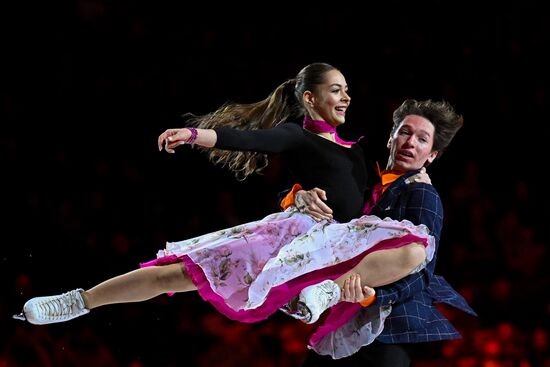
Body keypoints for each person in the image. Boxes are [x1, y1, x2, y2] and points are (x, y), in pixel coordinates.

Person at [14, 63, 433, 334]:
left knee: (414, 248)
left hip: (337, 244)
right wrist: (196, 136)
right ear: (310, 98)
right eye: (337, 90)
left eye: (348, 91)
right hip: (293, 237)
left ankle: (321, 292)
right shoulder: (297, 135)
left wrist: (298, 193)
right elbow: (247, 138)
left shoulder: (358, 151)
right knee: (177, 274)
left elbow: (367, 199)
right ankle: (78, 300)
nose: (346, 97)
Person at [291, 99, 477, 365]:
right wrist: (299, 196)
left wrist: (375, 296)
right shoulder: (362, 182)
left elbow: (422, 270)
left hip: (384, 335)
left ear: (432, 155)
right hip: (344, 322)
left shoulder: (421, 193)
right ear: (391, 139)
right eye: (405, 132)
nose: (411, 142)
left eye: (422, 139)